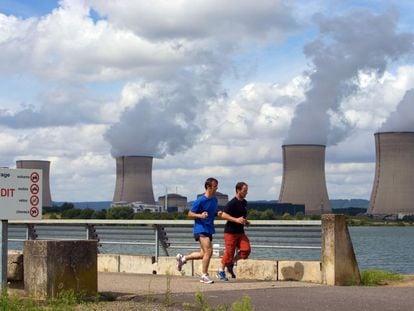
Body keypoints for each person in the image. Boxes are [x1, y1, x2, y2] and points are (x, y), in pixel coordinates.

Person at [176, 177, 222, 284]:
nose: (217, 188)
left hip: (209, 228)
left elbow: (213, 212)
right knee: (209, 251)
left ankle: (183, 259)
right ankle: (204, 275)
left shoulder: (215, 200)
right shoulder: (200, 200)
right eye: (215, 186)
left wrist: (217, 213)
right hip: (200, 228)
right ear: (208, 187)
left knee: (203, 254)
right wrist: (200, 215)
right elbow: (190, 213)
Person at [216, 181, 251, 281]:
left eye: (247, 191)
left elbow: (241, 216)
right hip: (230, 232)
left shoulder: (244, 202)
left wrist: (245, 221)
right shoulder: (232, 203)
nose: (246, 193)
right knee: (229, 253)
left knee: (246, 250)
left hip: (240, 232)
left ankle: (231, 263)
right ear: (238, 190)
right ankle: (220, 271)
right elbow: (223, 215)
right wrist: (236, 220)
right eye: (244, 191)